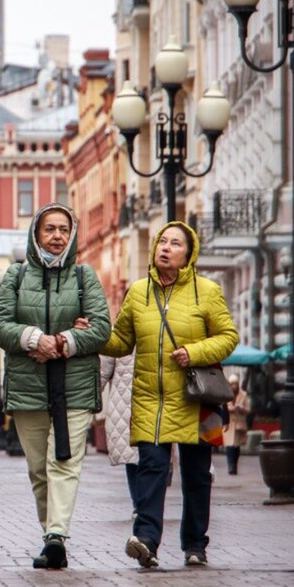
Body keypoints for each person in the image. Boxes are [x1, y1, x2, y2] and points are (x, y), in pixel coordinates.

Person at [101, 221, 239, 568]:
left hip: (200, 400)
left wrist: (194, 353)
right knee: (151, 468)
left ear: (189, 255)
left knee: (197, 475)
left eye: (175, 243)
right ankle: (146, 539)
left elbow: (228, 337)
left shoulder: (207, 291)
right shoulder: (137, 292)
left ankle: (195, 544)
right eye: (162, 241)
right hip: (151, 399)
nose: (165, 247)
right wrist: (97, 334)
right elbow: (121, 343)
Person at [0, 203, 111, 569]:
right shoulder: (15, 276)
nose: (57, 236)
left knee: (66, 463)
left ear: (71, 235)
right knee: (39, 469)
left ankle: (56, 537)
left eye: (63, 230)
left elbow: (102, 329)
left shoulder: (84, 277)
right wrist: (32, 339)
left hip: (73, 387)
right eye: (49, 229)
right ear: (36, 234)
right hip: (27, 388)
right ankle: (50, 535)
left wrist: (59, 343)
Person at [98, 354, 139, 515]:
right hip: (126, 400)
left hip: (153, 398)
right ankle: (140, 504)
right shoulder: (120, 329)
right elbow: (102, 370)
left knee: (153, 456)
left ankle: (146, 504)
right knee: (131, 454)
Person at [224, 374, 249, 475]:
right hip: (229, 423)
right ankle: (231, 465)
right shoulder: (226, 394)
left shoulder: (243, 395)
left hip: (239, 423)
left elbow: (248, 409)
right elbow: (224, 407)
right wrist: (231, 408)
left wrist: (242, 408)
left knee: (236, 446)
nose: (234, 386)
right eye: (232, 384)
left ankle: (234, 464)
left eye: (235, 384)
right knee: (230, 445)